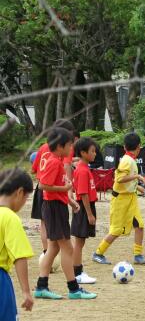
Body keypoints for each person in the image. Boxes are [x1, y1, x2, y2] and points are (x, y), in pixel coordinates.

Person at [35, 128, 95, 300]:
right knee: (67, 248)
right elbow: (42, 186)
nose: (72, 149)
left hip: (57, 206)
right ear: (60, 146)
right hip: (53, 208)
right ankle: (74, 289)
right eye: (70, 145)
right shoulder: (54, 162)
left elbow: (54, 187)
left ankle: (41, 286)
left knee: (53, 248)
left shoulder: (57, 161)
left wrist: (70, 201)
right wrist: (66, 189)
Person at [0, 168, 35, 321]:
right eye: (26, 199)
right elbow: (20, 256)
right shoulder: (9, 217)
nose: (24, 204)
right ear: (19, 192)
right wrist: (26, 292)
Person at [92, 133, 145, 266]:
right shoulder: (126, 161)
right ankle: (98, 253)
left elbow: (125, 182)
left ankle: (138, 255)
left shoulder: (129, 159)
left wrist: (137, 188)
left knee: (139, 225)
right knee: (116, 230)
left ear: (124, 147)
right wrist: (137, 177)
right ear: (139, 148)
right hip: (120, 201)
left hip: (131, 199)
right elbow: (119, 179)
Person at [31, 119, 76, 253]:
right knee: (56, 229)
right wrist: (68, 190)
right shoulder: (63, 150)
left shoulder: (44, 147)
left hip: (41, 188)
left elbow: (33, 169)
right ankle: (50, 254)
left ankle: (46, 252)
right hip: (52, 190)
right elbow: (67, 165)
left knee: (44, 224)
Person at [70, 137, 99, 285]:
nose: (95, 154)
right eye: (92, 151)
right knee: (79, 242)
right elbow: (83, 193)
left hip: (86, 206)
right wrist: (89, 214)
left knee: (80, 242)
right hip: (83, 208)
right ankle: (77, 273)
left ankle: (78, 271)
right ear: (83, 152)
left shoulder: (85, 168)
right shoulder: (81, 170)